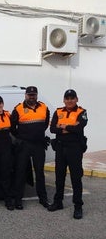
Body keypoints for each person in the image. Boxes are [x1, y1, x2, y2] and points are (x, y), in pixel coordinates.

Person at [47, 89, 88, 219]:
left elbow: (79, 127)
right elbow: (53, 129)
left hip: (74, 149)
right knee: (59, 177)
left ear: (77, 99)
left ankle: (78, 206)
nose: (69, 100)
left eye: (72, 98)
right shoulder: (58, 111)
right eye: (67, 98)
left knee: (76, 178)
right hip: (60, 148)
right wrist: (70, 127)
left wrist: (63, 126)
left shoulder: (82, 112)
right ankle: (58, 202)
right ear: (64, 100)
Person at [11, 86, 50, 210]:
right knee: (20, 172)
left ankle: (43, 199)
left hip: (38, 144)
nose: (31, 97)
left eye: (33, 95)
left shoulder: (44, 107)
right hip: (24, 145)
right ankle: (18, 200)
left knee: (40, 173)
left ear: (37, 95)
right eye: (29, 95)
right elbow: (12, 127)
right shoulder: (18, 108)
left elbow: (45, 124)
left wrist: (36, 135)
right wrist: (21, 137)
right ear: (25, 95)